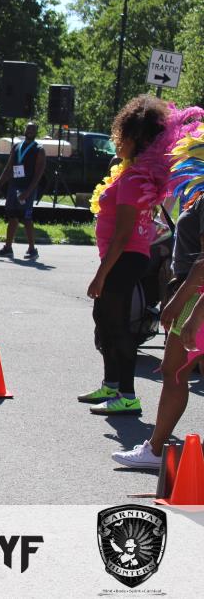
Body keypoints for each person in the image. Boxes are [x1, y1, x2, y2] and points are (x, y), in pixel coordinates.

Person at [78, 95, 183, 416]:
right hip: (124, 257)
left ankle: (127, 394)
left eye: (121, 136)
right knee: (104, 319)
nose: (117, 142)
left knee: (118, 325)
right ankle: (111, 385)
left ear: (136, 138)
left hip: (124, 257)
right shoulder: (134, 174)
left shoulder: (134, 179)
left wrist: (100, 275)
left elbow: (123, 234)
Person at [112, 118, 204, 464]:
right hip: (194, 292)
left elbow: (203, 265)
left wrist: (182, 305)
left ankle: (154, 449)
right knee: (174, 371)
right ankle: (154, 448)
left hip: (197, 295)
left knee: (174, 371)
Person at [0, 122, 46, 259]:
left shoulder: (39, 150)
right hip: (14, 186)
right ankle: (8, 248)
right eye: (28, 128)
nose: (30, 131)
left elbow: (39, 174)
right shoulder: (16, 146)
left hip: (27, 188)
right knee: (12, 217)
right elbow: (9, 168)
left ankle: (32, 250)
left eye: (33, 129)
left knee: (26, 218)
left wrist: (28, 192)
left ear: (36, 132)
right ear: (24, 130)